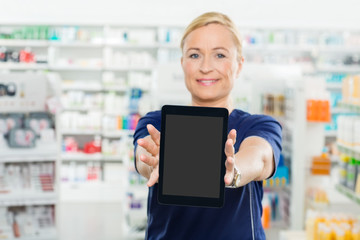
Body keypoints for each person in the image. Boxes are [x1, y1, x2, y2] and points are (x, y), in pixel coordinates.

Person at [133, 12, 282, 240]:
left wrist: (233, 172)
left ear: (239, 65)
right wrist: (155, 164)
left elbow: (259, 158)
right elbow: (144, 155)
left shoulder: (258, 126)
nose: (205, 67)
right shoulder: (157, 122)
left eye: (220, 55)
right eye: (194, 55)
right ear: (182, 63)